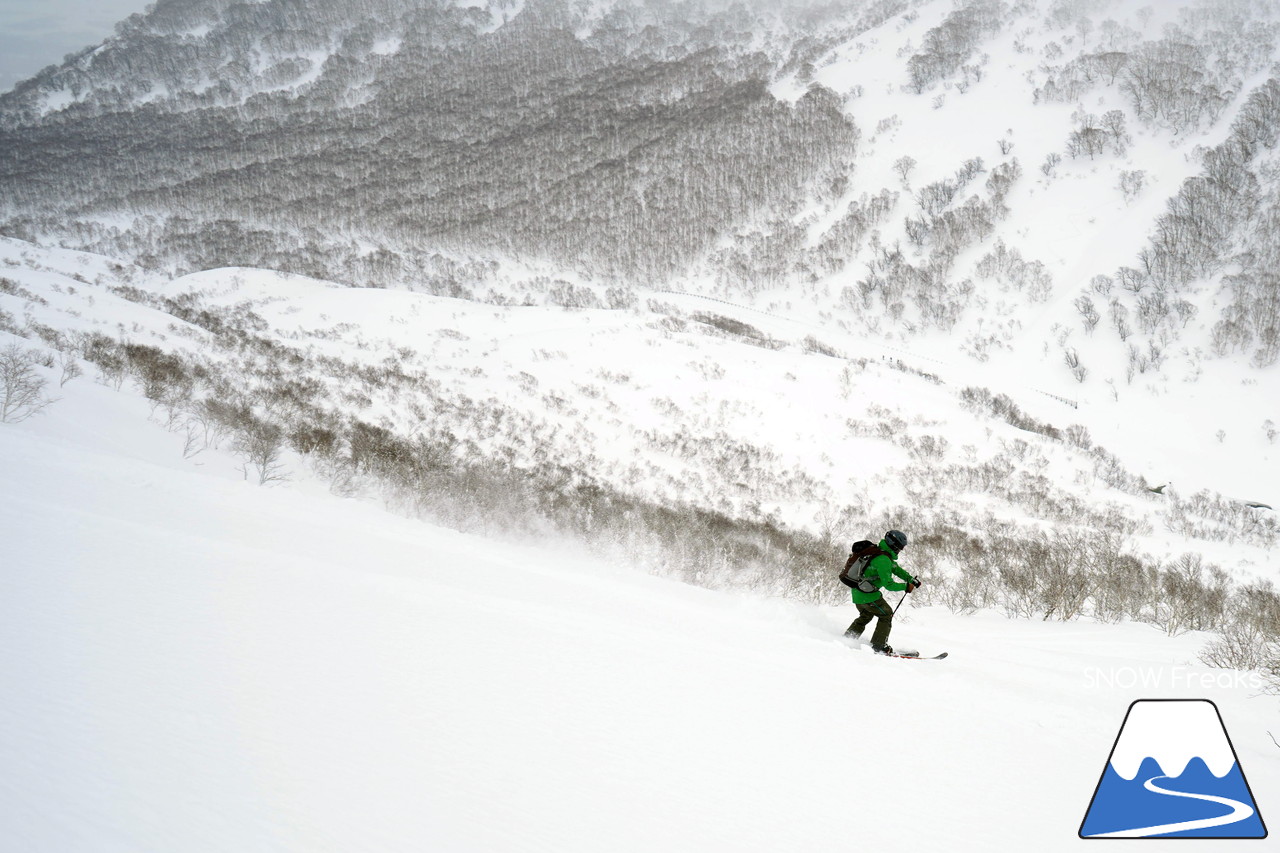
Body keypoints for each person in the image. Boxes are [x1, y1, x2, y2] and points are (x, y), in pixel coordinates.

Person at [843, 529, 920, 654]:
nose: (901, 550)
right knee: (886, 614)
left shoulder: (880, 553)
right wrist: (906, 586)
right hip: (868, 596)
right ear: (894, 545)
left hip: (858, 593)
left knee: (865, 616)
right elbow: (889, 585)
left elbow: (895, 569)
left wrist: (910, 579)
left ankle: (848, 638)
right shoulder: (883, 559)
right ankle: (879, 646)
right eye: (900, 547)